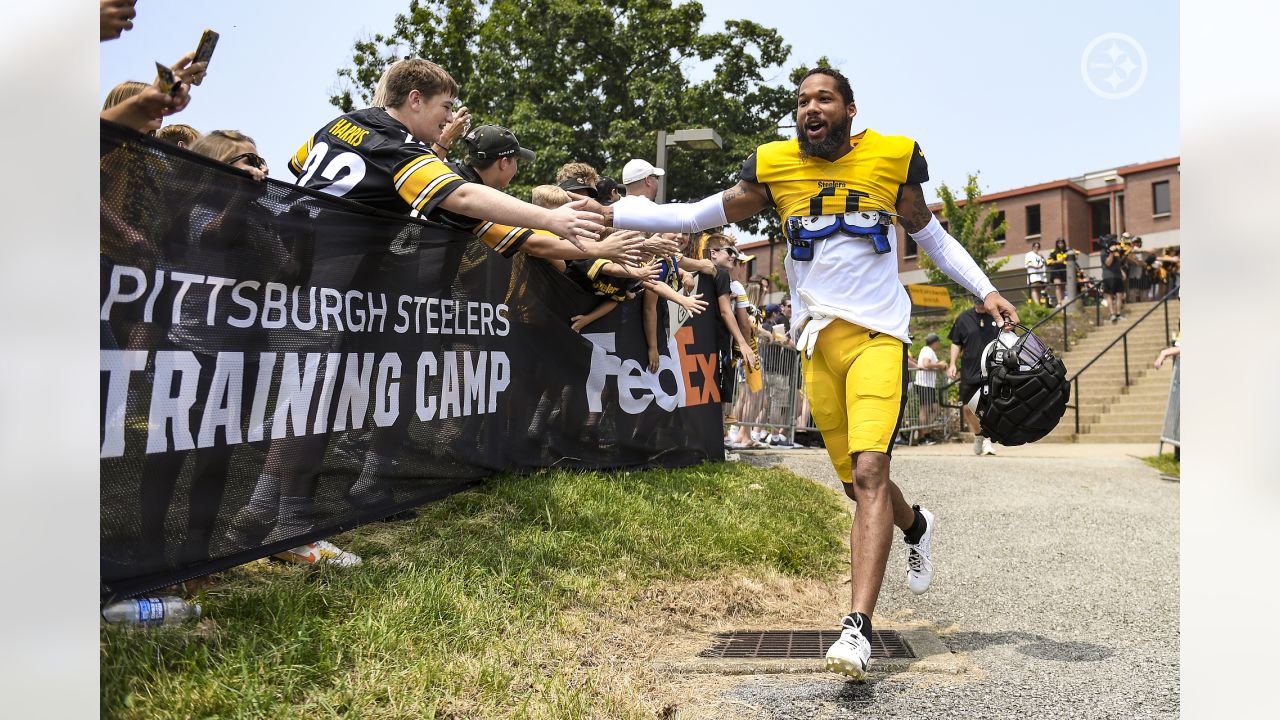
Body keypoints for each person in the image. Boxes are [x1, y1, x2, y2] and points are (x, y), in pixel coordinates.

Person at [576, 66, 1018, 679]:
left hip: (879, 338)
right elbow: (691, 218)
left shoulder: (892, 158)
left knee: (869, 470)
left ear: (850, 108)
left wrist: (985, 289)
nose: (812, 108)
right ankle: (915, 524)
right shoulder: (777, 166)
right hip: (816, 342)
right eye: (803, 100)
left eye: (824, 98)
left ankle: (857, 630)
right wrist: (612, 214)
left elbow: (933, 237)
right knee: (853, 483)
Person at [947, 295, 1001, 457]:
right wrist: (952, 363)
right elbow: (956, 342)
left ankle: (988, 441)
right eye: (977, 301)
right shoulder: (963, 318)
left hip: (991, 370)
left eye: (982, 301)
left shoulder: (995, 317)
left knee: (988, 408)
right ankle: (979, 436)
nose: (980, 305)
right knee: (967, 409)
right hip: (969, 371)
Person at [913, 334, 947, 444]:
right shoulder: (927, 350)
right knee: (925, 410)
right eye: (938, 342)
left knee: (936, 409)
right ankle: (922, 437)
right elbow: (926, 364)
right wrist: (940, 365)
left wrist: (939, 366)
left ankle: (925, 432)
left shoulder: (927, 350)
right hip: (924, 384)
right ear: (935, 342)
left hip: (927, 384)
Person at [1101, 233, 1130, 323]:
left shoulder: (1117, 251)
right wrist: (1111, 253)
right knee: (1109, 295)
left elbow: (1118, 263)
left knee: (1119, 295)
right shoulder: (1104, 252)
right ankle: (1112, 314)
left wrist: (1122, 272)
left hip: (1117, 275)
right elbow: (1108, 263)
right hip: (1108, 276)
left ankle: (1118, 314)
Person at [1045, 237, 1074, 307]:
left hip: (1064, 270)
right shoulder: (1053, 252)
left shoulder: (1067, 251)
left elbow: (1074, 257)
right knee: (1058, 285)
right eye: (1059, 243)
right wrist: (1058, 261)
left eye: (1062, 243)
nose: (1060, 244)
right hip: (1056, 270)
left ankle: (1063, 302)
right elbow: (1048, 262)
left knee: (1063, 287)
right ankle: (1059, 302)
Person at [1024, 241, 1047, 305]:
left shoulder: (1040, 255)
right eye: (1035, 246)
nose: (1036, 248)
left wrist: (1043, 257)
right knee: (1034, 289)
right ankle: (1037, 304)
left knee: (1039, 289)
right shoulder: (1029, 254)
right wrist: (1035, 266)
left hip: (1041, 276)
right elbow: (1027, 264)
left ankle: (1040, 304)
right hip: (1033, 275)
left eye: (1038, 247)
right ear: (1032, 247)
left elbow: (1045, 264)